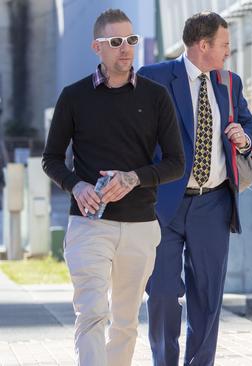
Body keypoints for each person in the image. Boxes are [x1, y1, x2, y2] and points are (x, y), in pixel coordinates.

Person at [42, 9, 184, 366]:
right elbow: (52, 158)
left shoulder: (155, 97)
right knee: (91, 313)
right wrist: (75, 186)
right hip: (89, 224)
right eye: (116, 42)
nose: (126, 49)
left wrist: (133, 178)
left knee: (124, 322)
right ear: (97, 48)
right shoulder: (73, 97)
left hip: (139, 226)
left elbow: (175, 163)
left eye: (131, 41)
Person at [137, 11, 252, 366]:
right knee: (161, 293)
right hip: (164, 205)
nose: (228, 52)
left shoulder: (229, 82)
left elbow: (248, 122)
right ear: (203, 45)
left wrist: (244, 136)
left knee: (207, 296)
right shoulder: (155, 78)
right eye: (224, 45)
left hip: (214, 203)